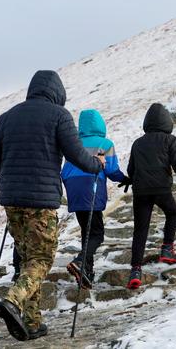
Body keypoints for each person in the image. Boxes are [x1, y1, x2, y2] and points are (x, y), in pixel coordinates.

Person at [0, 70, 105, 342]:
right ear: (57, 93)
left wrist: (12, 177)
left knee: (29, 259)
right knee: (41, 259)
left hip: (12, 201)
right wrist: (97, 164)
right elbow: (76, 155)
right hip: (41, 203)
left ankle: (32, 321)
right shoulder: (59, 116)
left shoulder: (8, 116)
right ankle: (13, 300)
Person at [118, 103, 176, 289]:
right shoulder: (170, 140)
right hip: (161, 188)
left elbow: (131, 169)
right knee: (172, 212)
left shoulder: (138, 143)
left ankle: (135, 271)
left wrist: (133, 179)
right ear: (166, 121)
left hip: (141, 191)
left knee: (140, 229)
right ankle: (167, 249)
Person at [61, 109, 127, 289]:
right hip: (91, 184)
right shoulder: (105, 143)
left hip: (72, 187)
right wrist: (125, 179)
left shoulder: (75, 143)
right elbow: (112, 170)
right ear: (100, 124)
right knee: (97, 234)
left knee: (86, 230)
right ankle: (81, 261)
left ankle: (86, 272)